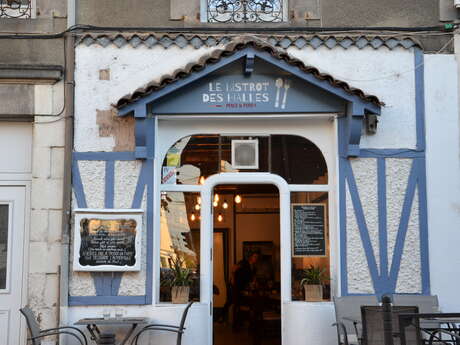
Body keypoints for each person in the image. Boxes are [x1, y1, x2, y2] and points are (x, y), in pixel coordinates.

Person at [232, 251, 259, 331]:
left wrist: (254, 283)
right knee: (238, 306)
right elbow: (234, 269)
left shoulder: (253, 267)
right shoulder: (244, 263)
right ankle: (236, 326)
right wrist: (232, 278)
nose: (256, 259)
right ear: (251, 257)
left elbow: (252, 279)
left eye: (257, 257)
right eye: (255, 257)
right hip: (238, 288)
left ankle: (250, 326)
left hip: (246, 290)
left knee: (250, 306)